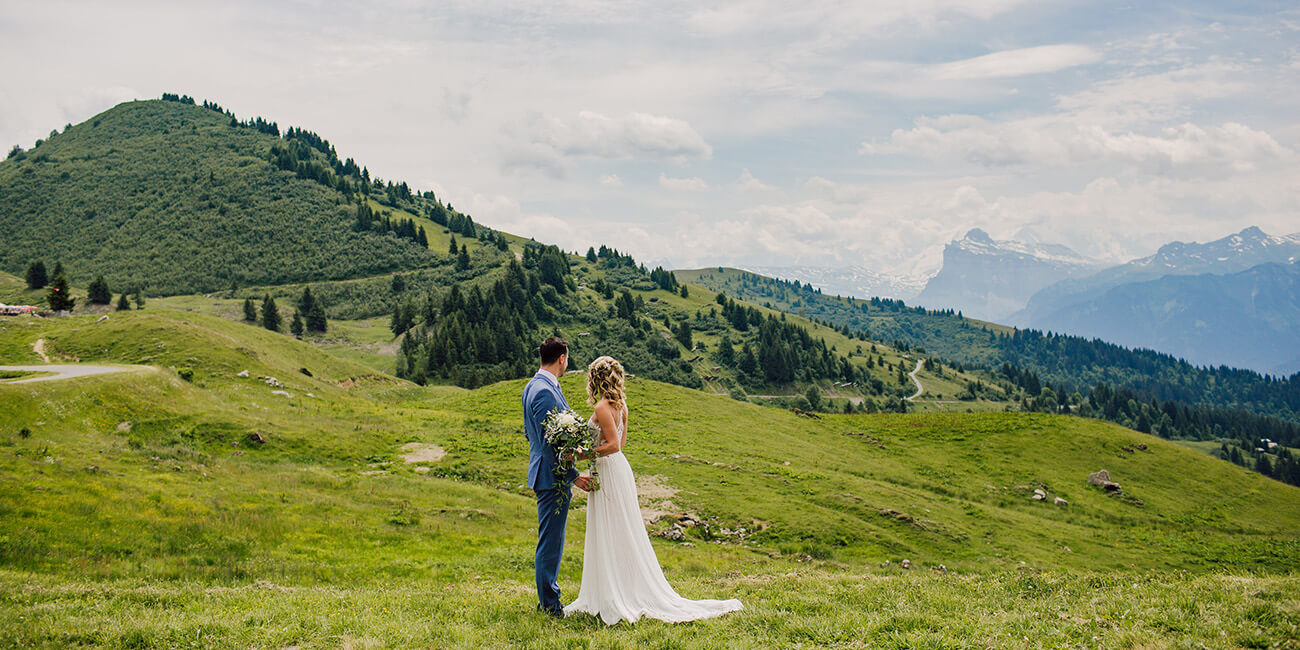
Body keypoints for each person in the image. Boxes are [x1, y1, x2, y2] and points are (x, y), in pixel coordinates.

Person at [564, 355, 743, 625]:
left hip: (610, 469)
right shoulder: (621, 406)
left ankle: (615, 592)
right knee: (620, 529)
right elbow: (620, 444)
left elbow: (613, 444)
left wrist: (581, 455)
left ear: (594, 379)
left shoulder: (602, 407)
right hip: (618, 469)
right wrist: (594, 459)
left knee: (612, 529)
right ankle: (621, 585)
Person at [521, 336, 593, 617]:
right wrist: (573, 474)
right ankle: (550, 604)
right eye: (567, 358)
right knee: (550, 543)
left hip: (546, 473)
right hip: (551, 478)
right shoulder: (544, 391)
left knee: (550, 539)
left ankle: (547, 600)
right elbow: (549, 442)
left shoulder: (533, 386)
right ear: (562, 357)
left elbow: (531, 433)